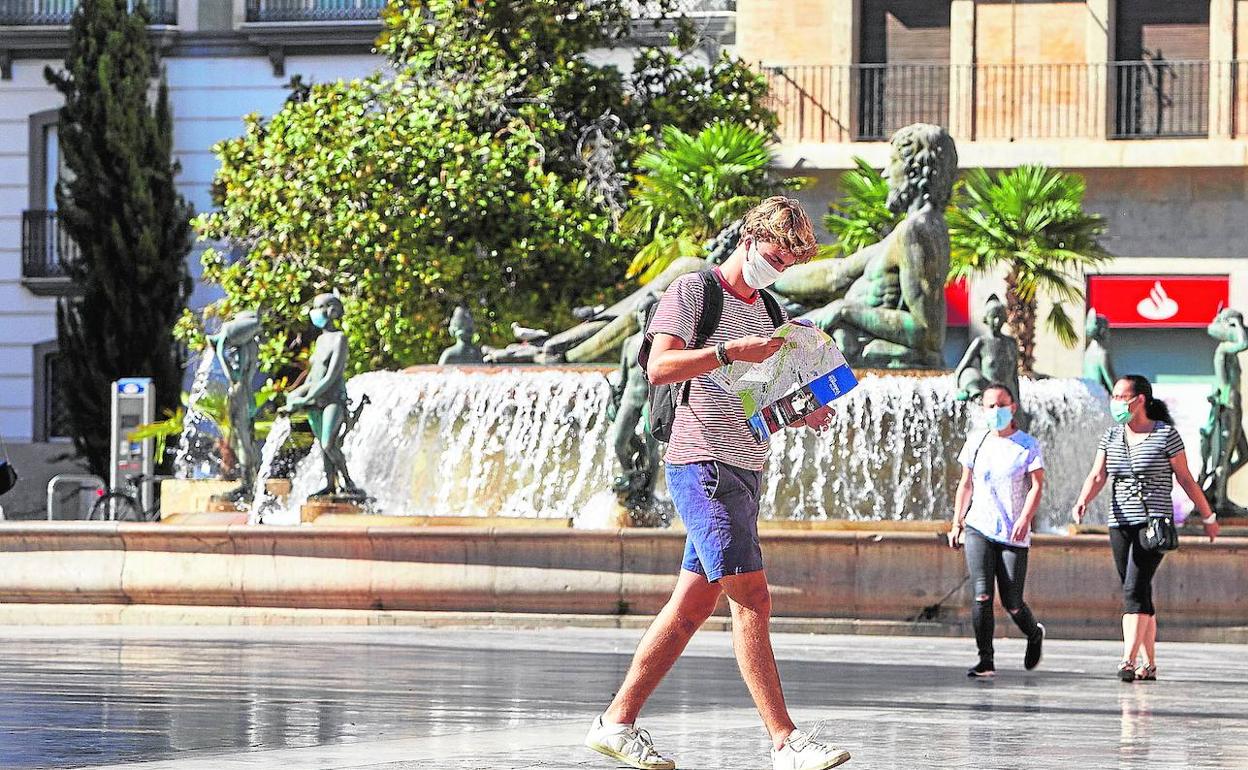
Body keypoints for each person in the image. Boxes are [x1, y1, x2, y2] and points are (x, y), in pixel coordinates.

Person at [584, 197, 852, 770]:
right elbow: (658, 367)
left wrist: (803, 410)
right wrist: (729, 349)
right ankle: (785, 741)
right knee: (753, 597)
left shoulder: (770, 307)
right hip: (701, 463)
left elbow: (760, 394)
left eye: (788, 263)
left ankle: (616, 723)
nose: (777, 269)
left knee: (689, 609)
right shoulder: (693, 292)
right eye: (774, 256)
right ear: (750, 240)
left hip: (747, 465)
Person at [1072, 374, 1220, 682]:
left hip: (1154, 523)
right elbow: (1097, 475)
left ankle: (1127, 659)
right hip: (1120, 522)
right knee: (1139, 592)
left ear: (1140, 400)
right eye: (1113, 397)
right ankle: (1149, 664)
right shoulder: (1111, 437)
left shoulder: (1165, 435)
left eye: (1121, 397)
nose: (1116, 403)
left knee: (1133, 590)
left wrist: (1207, 516)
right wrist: (1083, 500)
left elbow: (1185, 478)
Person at [947, 383, 1046, 678]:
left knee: (1012, 601)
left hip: (1013, 531)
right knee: (982, 595)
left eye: (1001, 405)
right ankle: (985, 660)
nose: (996, 411)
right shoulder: (976, 443)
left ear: (1013, 407)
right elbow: (965, 484)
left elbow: (1037, 485)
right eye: (990, 406)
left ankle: (1033, 633)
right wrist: (957, 522)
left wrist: (1025, 518)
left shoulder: (1027, 445)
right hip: (979, 526)